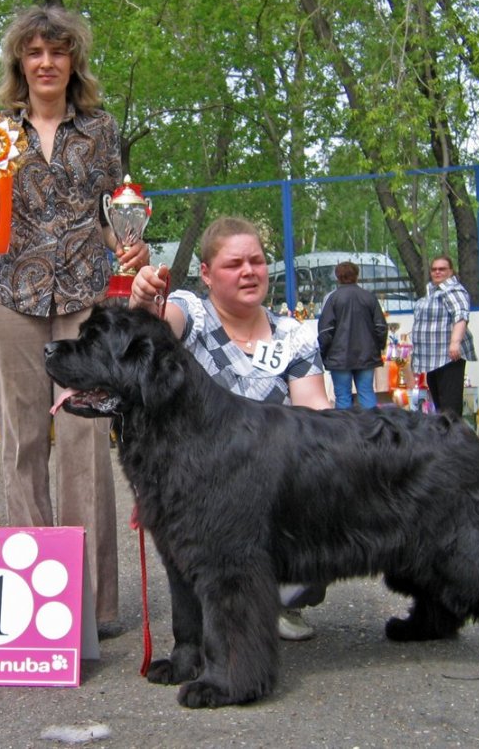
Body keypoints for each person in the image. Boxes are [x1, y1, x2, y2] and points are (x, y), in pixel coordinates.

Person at [0, 5, 148, 628]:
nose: (46, 63)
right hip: (9, 295)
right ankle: (36, 597)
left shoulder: (102, 131)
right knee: (23, 442)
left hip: (86, 298)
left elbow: (116, 211)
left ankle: (91, 604)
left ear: (72, 62)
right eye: (34, 52)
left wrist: (131, 245)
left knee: (86, 443)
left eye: (58, 52)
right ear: (19, 62)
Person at [130, 216, 331, 641]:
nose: (249, 272)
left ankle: (278, 600)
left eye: (257, 262)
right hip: (205, 488)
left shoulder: (293, 335)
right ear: (206, 274)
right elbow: (162, 326)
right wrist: (146, 299)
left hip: (268, 487)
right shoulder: (195, 314)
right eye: (234, 263)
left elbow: (316, 411)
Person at [411, 255, 476, 417]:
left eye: (442, 269)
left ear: (451, 271)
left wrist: (455, 343)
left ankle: (455, 440)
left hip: (448, 357)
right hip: (432, 359)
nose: (437, 272)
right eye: (434, 269)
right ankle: (444, 439)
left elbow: (461, 317)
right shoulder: (432, 291)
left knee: (450, 407)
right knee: (439, 406)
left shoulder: (454, 290)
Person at [317, 261, 388, 409]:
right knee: (367, 393)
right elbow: (381, 326)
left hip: (339, 358)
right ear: (357, 275)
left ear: (338, 277)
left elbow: (325, 331)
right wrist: (379, 347)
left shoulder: (333, 299)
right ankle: (373, 430)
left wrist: (324, 353)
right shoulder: (369, 297)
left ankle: (345, 431)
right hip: (367, 355)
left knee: (343, 398)